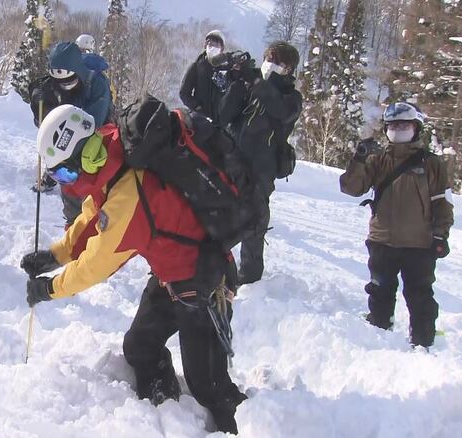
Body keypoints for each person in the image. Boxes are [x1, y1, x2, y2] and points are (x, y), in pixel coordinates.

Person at [21, 104, 246, 434]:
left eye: (65, 174)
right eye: (58, 178)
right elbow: (89, 218)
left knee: (207, 385)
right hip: (170, 274)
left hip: (204, 282)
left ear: (82, 155)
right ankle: (166, 414)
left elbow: (96, 264)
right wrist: (55, 255)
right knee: (140, 347)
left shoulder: (127, 197)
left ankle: (250, 424)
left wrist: (49, 288)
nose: (66, 184)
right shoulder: (111, 149)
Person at [340, 102, 453, 348]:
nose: (398, 130)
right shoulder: (378, 160)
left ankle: (424, 346)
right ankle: (379, 344)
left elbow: (442, 203)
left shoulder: (432, 164)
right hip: (382, 241)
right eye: (393, 126)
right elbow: (351, 187)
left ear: (416, 128)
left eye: (404, 125)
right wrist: (359, 159)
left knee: (420, 297)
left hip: (419, 245)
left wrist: (440, 235)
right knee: (380, 293)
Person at [230, 41, 302, 285]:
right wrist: (238, 83)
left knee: (254, 218)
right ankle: (213, 263)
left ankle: (249, 275)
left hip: (263, 166)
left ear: (289, 69)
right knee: (218, 210)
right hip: (233, 157)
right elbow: (226, 114)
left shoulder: (291, 97)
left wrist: (259, 82)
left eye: (277, 61)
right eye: (268, 58)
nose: (269, 64)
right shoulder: (253, 87)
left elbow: (280, 111)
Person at [29, 41, 112, 227]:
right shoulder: (54, 83)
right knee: (70, 190)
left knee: (94, 194)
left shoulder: (97, 82)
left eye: (69, 82)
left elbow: (92, 122)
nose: (64, 86)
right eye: (60, 83)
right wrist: (40, 108)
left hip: (96, 144)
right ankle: (73, 229)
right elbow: (46, 126)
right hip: (66, 150)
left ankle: (94, 232)